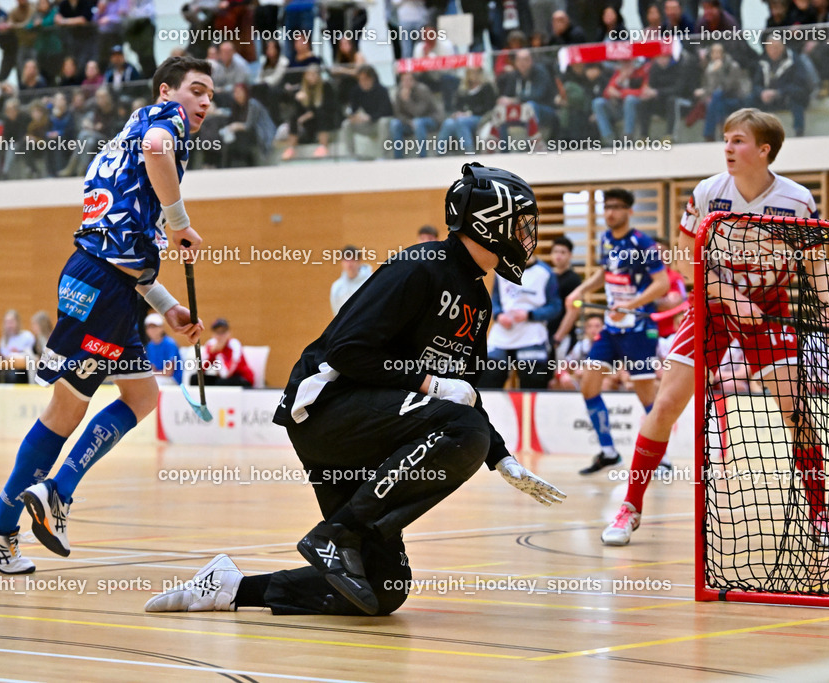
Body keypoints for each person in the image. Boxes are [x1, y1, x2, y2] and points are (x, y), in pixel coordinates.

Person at [144, 162, 565, 617]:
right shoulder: (419, 267)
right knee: (463, 428)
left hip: (373, 424)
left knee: (384, 590)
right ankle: (336, 534)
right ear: (488, 221)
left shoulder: (479, 301)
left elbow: (459, 392)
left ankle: (230, 588)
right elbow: (347, 351)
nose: (527, 236)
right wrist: (430, 384)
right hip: (327, 410)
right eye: (520, 224)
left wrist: (500, 456)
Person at [0, 56, 213, 575]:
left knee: (138, 396)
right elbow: (157, 152)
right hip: (101, 285)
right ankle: (23, 509)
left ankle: (25, 508)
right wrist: (179, 222)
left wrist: (167, 308)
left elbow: (124, 250)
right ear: (168, 91)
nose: (206, 101)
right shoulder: (161, 125)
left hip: (105, 282)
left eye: (211, 94)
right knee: (68, 410)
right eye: (196, 90)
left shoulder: (127, 137)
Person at [600, 108, 829, 549]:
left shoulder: (798, 200)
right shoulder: (708, 191)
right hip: (712, 304)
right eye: (727, 140)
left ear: (763, 149)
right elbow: (683, 258)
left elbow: (819, 262)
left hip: (770, 308)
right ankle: (630, 507)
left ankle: (820, 514)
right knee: (667, 403)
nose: (728, 148)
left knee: (797, 411)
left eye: (738, 141)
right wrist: (729, 295)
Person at [554, 189, 669, 475]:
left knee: (646, 397)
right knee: (589, 386)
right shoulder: (606, 239)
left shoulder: (643, 243)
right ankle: (608, 452)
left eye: (617, 207)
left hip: (639, 330)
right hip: (611, 328)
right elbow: (603, 273)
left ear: (629, 211)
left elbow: (662, 284)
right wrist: (579, 290)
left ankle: (661, 458)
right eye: (607, 207)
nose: (610, 213)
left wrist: (630, 305)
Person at [478, 253, 561, 389]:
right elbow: (495, 299)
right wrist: (499, 315)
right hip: (503, 334)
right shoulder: (501, 269)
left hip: (532, 335)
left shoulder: (545, 272)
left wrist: (530, 314)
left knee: (533, 380)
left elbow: (555, 306)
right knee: (488, 375)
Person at [193, 318, 254, 387]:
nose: (221, 336)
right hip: (224, 378)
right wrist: (211, 353)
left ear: (229, 333)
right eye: (218, 332)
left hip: (242, 378)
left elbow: (227, 373)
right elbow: (200, 369)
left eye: (223, 332)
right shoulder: (211, 345)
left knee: (221, 383)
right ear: (213, 334)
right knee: (195, 379)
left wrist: (219, 353)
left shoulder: (234, 344)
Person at [330, 245, 373, 314]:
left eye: (353, 259)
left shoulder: (371, 281)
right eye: (346, 259)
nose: (349, 263)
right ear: (342, 262)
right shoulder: (337, 287)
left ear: (359, 261)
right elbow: (336, 312)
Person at [144, 312, 183, 384]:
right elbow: (152, 368)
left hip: (173, 380)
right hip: (158, 377)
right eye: (149, 327)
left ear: (161, 328)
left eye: (154, 326)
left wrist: (151, 375)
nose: (151, 330)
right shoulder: (149, 346)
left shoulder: (169, 344)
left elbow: (168, 372)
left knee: (151, 384)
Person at [0, 309, 36, 383]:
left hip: (23, 370)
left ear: (17, 322)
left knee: (13, 375)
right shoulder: (3, 340)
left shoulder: (27, 336)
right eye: (7, 322)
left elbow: (31, 355)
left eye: (11, 322)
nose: (9, 325)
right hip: (7, 368)